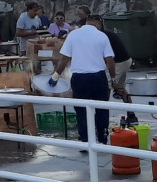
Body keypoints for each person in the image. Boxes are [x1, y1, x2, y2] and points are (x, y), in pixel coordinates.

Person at [51, 14, 120, 146]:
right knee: (102, 109)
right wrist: (113, 79)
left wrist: (56, 76)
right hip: (98, 77)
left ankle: (84, 140)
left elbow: (64, 59)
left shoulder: (73, 35)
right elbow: (110, 61)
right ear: (98, 23)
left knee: (81, 111)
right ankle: (102, 138)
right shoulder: (102, 36)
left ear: (87, 22)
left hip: (79, 78)